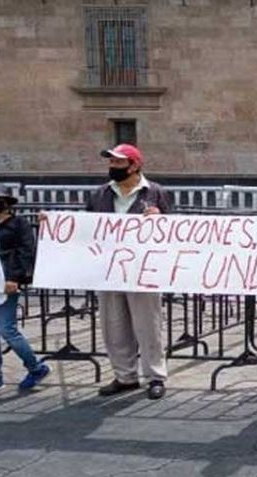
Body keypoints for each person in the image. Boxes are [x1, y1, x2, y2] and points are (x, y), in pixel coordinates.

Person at [87, 144, 171, 400]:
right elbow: (86, 228)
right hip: (109, 270)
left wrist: (160, 218)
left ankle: (155, 376)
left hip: (143, 271)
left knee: (148, 326)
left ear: (134, 165)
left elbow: (175, 230)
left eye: (118, 163)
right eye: (111, 162)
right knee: (114, 326)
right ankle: (125, 376)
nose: (112, 167)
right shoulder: (99, 194)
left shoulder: (155, 192)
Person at [0, 182, 49, 397]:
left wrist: (15, 277)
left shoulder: (18, 224)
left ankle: (36, 367)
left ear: (6, 202)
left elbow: (27, 251)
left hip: (6, 283)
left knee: (8, 330)